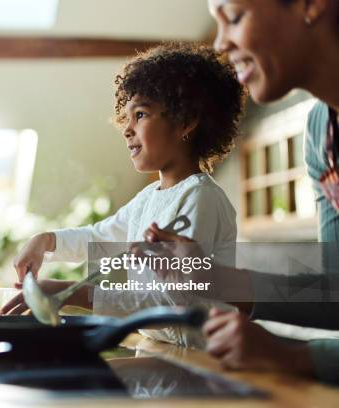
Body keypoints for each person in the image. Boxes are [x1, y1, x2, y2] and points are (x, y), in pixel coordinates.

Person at [141, 0, 339, 384]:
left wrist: (292, 356)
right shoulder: (320, 134)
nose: (219, 43)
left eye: (233, 17)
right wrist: (214, 280)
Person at [2, 42, 246, 348]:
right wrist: (47, 241)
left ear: (186, 122)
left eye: (141, 114)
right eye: (126, 118)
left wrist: (70, 293)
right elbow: (100, 238)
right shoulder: (148, 198)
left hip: (202, 356)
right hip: (159, 350)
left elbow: (171, 302)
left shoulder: (201, 199)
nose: (126, 129)